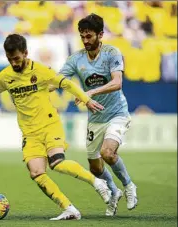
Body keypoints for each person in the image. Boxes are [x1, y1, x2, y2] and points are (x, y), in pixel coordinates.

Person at [0, 34, 111, 221]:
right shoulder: (4, 77)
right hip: (29, 132)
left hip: (50, 124)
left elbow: (66, 83)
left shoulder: (41, 70)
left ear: (26, 53)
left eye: (17, 58)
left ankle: (97, 182)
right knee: (36, 172)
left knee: (57, 163)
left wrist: (87, 99)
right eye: (10, 59)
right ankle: (69, 209)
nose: (14, 62)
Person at [56, 13, 138, 216]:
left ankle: (128, 186)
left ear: (100, 35)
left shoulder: (112, 53)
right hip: (95, 119)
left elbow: (117, 83)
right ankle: (114, 190)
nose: (85, 41)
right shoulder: (76, 59)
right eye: (82, 36)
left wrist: (90, 92)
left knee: (107, 153)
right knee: (94, 167)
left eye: (89, 36)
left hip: (117, 113)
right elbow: (57, 80)